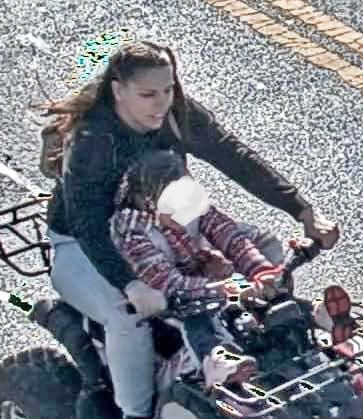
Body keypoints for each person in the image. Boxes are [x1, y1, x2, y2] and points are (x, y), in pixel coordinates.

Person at [32, 39, 339, 419]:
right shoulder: (93, 140)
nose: (161, 104)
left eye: (168, 90)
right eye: (148, 94)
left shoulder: (176, 114)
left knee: (267, 248)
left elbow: (235, 157)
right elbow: (86, 224)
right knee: (126, 316)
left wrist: (303, 211)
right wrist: (130, 284)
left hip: (171, 224)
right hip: (86, 244)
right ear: (118, 91)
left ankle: (276, 355)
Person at [110, 148, 284, 402]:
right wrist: (228, 288)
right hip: (163, 299)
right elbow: (169, 284)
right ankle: (218, 358)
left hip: (206, 277)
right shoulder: (131, 230)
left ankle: (306, 323)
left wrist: (260, 270)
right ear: (150, 201)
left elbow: (230, 236)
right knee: (199, 314)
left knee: (270, 287)